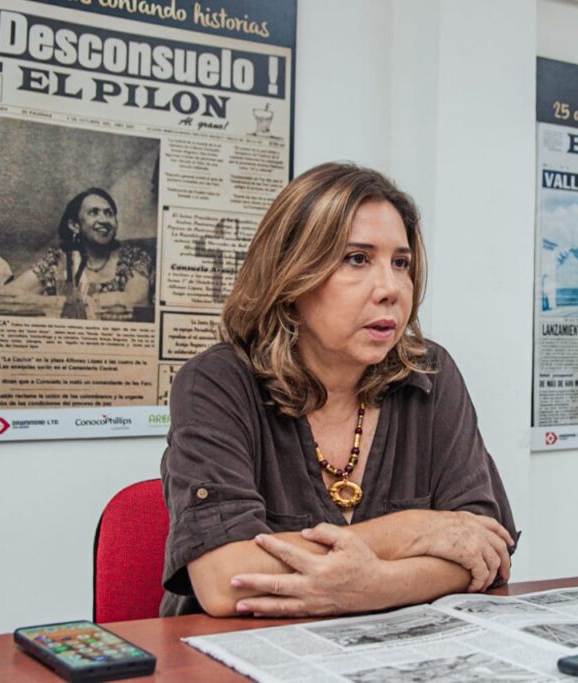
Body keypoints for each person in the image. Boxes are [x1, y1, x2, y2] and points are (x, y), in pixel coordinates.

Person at [160, 162, 517, 618]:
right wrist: (414, 531)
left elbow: (487, 553)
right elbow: (225, 580)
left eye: (401, 263)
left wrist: (375, 587)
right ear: (291, 276)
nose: (390, 289)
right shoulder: (216, 382)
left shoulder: (431, 373)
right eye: (357, 259)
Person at [1, 188, 153, 320]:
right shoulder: (56, 261)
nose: (104, 220)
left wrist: (53, 304)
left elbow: (137, 300)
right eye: (94, 213)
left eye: (109, 213)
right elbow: (7, 295)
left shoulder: (133, 257)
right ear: (74, 225)